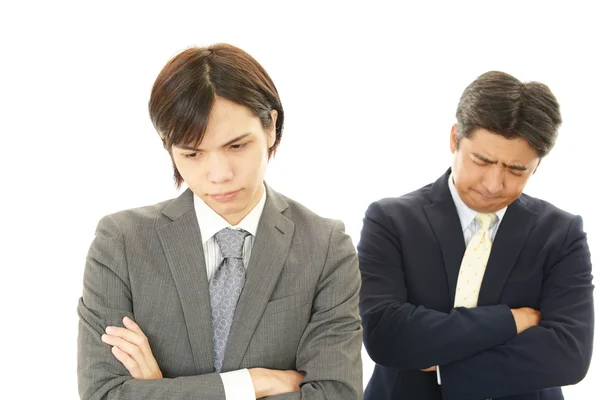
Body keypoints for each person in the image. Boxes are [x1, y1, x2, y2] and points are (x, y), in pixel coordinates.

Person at [77, 43, 363, 400]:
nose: (219, 175)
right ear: (169, 148)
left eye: (237, 146)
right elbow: (103, 394)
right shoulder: (122, 242)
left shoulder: (325, 247)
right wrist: (253, 384)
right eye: (192, 154)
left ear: (271, 127)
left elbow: (336, 395)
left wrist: (159, 391)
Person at [358, 71, 594, 399]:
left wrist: (443, 364)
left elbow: (569, 355)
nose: (493, 184)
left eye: (516, 170)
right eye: (481, 161)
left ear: (536, 165)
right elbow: (386, 336)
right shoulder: (390, 221)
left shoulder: (560, 234)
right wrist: (512, 321)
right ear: (455, 139)